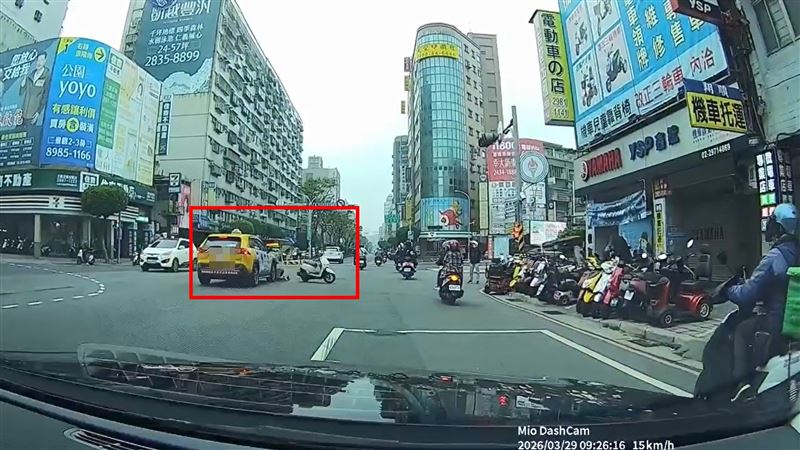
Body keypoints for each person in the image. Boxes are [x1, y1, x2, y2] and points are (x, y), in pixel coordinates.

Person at [726, 203, 797, 401]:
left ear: (778, 227)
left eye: (771, 222)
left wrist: (728, 290)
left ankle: (742, 384)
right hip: (795, 322)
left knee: (741, 330)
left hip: (776, 322)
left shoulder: (775, 256)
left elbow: (748, 293)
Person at [19, 52, 50, 126]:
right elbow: (21, 93)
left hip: (33, 115)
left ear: (45, 61)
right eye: (38, 60)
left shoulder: (47, 76)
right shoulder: (30, 75)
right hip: (23, 114)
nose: (39, 63)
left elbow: (45, 95)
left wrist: (38, 112)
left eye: (41, 60)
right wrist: (22, 84)